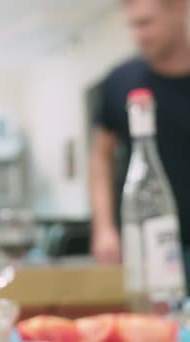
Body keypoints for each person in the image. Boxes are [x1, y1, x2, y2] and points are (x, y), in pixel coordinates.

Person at [90, 0, 190, 265]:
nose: (139, 36)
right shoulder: (120, 82)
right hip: (146, 243)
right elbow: (101, 157)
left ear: (180, 8)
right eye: (133, 26)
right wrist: (104, 228)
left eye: (146, 23)